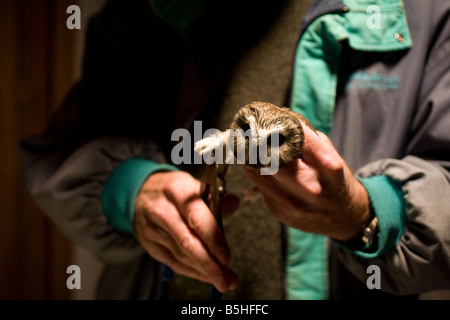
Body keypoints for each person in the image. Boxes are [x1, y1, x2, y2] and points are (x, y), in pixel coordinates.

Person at [20, 0, 450, 300]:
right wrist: (131, 190)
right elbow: (64, 147)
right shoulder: (137, 11)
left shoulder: (427, 11)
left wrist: (369, 213)